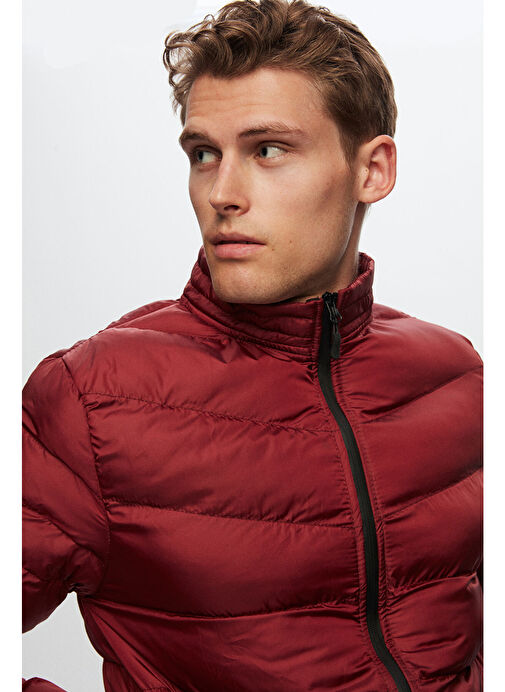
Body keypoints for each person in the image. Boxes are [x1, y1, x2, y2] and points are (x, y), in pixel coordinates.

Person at [22, 0, 483, 690]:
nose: (223, 194)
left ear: (372, 170)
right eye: (204, 155)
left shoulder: (456, 377)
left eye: (267, 150)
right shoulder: (92, 399)